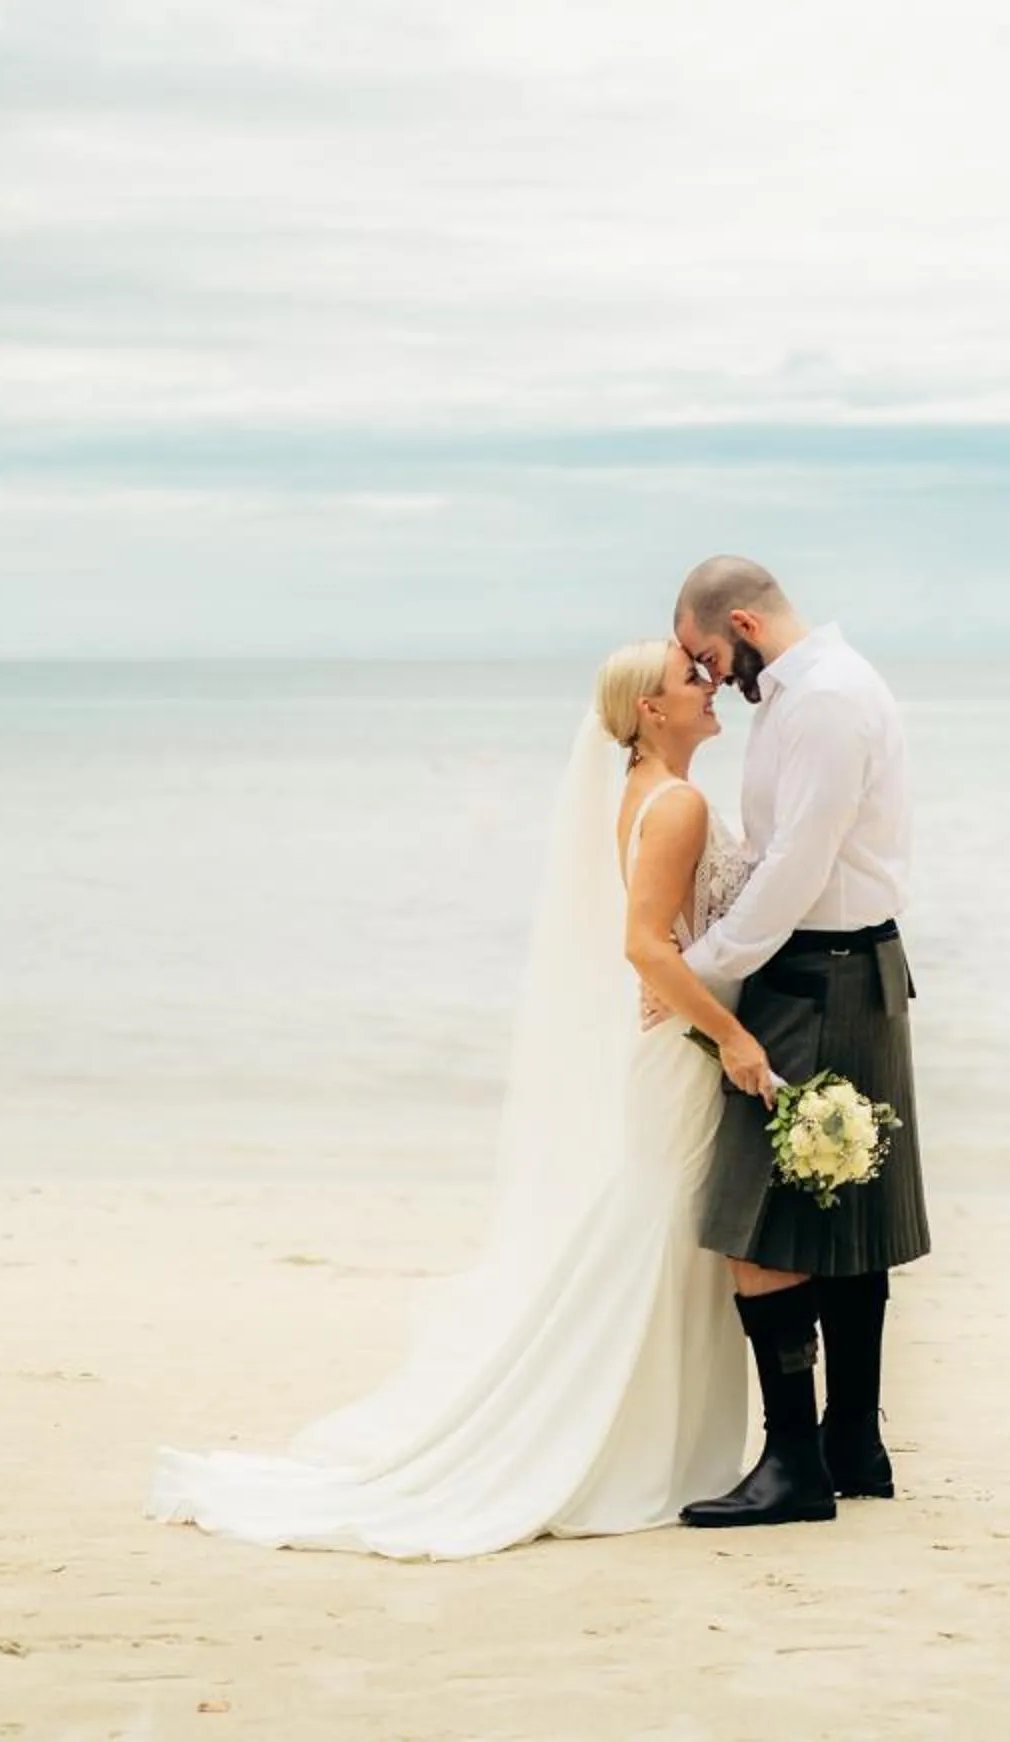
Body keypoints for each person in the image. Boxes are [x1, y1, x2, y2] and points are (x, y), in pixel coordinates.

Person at [146, 640, 761, 1558]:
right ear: (648, 711)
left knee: (660, 1233)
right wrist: (734, 1035)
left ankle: (655, 1444)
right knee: (660, 1236)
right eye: (690, 680)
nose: (710, 688)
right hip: (682, 1052)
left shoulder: (642, 793)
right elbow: (646, 947)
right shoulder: (676, 804)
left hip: (664, 1049)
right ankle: (628, 1447)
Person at [668, 556, 930, 1530]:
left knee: (759, 1221)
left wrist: (707, 971)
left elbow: (795, 865)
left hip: (817, 974)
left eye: (707, 652)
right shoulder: (813, 688)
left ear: (742, 618)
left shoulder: (822, 700)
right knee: (847, 1211)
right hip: (848, 968)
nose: (709, 675)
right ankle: (851, 1442)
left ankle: (793, 1464)